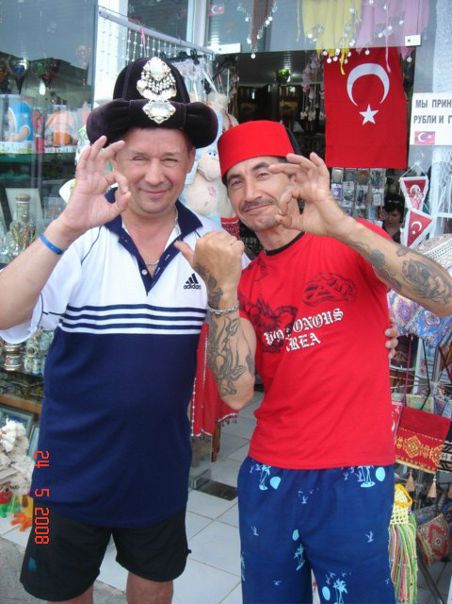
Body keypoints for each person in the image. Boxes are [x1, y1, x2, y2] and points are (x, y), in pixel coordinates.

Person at [175, 120, 452, 604]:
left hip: (355, 473)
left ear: (295, 176)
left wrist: (340, 224)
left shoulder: (352, 240)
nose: (250, 192)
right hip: (269, 473)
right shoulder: (244, 283)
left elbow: (443, 298)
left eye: (263, 173)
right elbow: (236, 394)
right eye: (236, 181)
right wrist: (219, 288)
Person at [0, 56, 220, 604]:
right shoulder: (77, 234)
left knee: (156, 581)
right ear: (113, 158)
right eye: (138, 157)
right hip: (61, 469)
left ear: (192, 161)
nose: (155, 175)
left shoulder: (209, 243)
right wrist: (65, 227)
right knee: (61, 589)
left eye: (170, 158)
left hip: (160, 464)